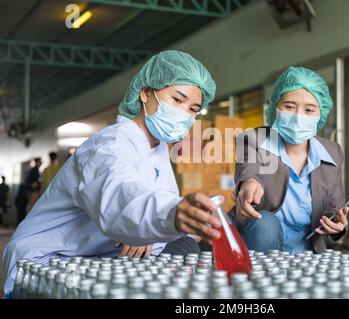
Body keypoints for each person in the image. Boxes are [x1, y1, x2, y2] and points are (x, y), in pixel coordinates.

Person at [3, 50, 223, 298]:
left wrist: (145, 229)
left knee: (187, 247)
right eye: (176, 99)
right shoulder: (110, 144)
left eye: (193, 109)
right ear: (145, 93)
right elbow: (119, 194)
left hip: (100, 258)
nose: (184, 114)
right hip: (48, 262)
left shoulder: (158, 149)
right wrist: (167, 215)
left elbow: (148, 207)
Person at [232, 67, 349, 254]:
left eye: (309, 110)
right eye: (289, 107)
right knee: (265, 222)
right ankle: (258, 280)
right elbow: (249, 169)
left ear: (320, 115)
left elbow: (334, 211)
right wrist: (249, 183)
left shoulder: (332, 152)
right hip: (260, 246)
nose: (298, 116)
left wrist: (337, 228)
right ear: (274, 107)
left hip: (307, 253)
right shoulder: (254, 139)